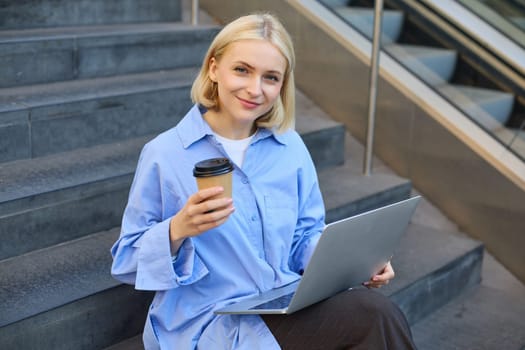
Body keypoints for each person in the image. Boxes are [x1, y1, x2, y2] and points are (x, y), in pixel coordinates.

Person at [110, 13, 417, 350]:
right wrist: (177, 229)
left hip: (284, 303)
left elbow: (305, 236)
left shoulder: (290, 148)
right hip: (212, 320)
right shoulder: (165, 153)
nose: (255, 89)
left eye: (271, 78)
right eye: (242, 70)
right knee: (371, 316)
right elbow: (126, 260)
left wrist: (358, 262)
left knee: (372, 313)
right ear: (214, 68)